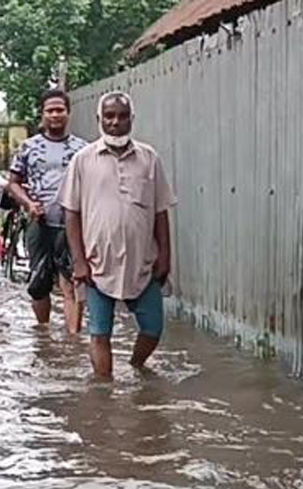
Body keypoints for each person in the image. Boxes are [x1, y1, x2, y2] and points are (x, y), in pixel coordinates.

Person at [60, 91, 176, 378]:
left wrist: (165, 256)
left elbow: (161, 211)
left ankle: (137, 367)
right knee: (100, 333)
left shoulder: (149, 159)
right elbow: (71, 213)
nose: (116, 122)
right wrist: (79, 261)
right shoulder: (82, 160)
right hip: (97, 263)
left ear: (131, 120)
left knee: (152, 329)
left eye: (122, 116)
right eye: (109, 116)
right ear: (100, 120)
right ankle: (104, 391)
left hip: (143, 262)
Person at [6, 89, 88, 332]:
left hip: (72, 226)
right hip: (39, 223)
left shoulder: (82, 149)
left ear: (68, 113)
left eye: (59, 110)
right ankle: (44, 334)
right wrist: (28, 204)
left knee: (72, 281)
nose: (55, 115)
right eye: (50, 110)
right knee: (39, 283)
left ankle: (72, 341)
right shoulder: (29, 147)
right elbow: (12, 183)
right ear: (42, 114)